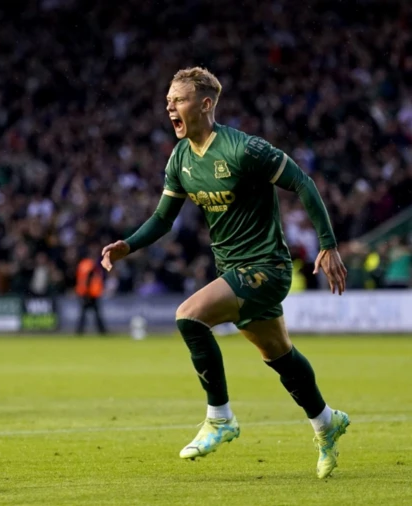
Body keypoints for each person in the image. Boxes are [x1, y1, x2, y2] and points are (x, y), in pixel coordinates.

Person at [101, 67, 349, 479]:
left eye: (177, 100)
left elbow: (303, 182)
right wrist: (128, 244)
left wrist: (327, 244)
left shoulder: (243, 149)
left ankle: (220, 418)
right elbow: (164, 219)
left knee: (189, 316)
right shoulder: (180, 158)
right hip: (232, 267)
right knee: (280, 356)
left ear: (205, 104)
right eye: (167, 101)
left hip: (266, 267)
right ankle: (326, 423)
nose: (169, 107)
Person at [76, 246, 107, 335]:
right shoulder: (90, 264)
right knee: (95, 314)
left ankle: (79, 331)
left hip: (85, 292)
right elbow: (88, 279)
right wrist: (88, 293)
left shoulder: (82, 264)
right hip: (90, 293)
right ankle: (102, 331)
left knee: (84, 314)